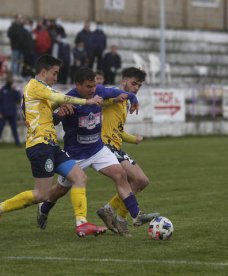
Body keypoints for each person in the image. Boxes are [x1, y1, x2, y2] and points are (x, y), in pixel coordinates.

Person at [0, 55, 105, 237]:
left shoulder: (41, 92)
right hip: (39, 146)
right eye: (54, 73)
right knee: (41, 195)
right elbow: (56, 96)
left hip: (51, 145)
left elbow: (49, 116)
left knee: (79, 177)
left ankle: (81, 223)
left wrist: (61, 112)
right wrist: (85, 101)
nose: (56, 78)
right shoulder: (34, 86)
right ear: (43, 71)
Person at [35, 67, 159, 236]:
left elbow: (110, 93)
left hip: (98, 148)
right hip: (76, 153)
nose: (93, 90)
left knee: (120, 174)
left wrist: (132, 96)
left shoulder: (100, 91)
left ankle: (135, 215)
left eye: (95, 86)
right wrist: (60, 110)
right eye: (89, 86)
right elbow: (50, 115)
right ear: (78, 85)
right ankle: (45, 206)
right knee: (61, 189)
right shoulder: (69, 98)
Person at [97, 67, 150, 237]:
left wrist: (135, 139)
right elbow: (102, 100)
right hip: (104, 145)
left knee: (142, 181)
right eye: (134, 83)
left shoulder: (125, 102)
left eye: (139, 86)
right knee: (136, 179)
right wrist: (115, 98)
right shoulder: (114, 93)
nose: (135, 88)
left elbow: (118, 130)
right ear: (124, 80)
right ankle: (120, 218)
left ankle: (110, 210)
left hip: (116, 146)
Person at [0, 75, 21, 147]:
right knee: (0, 129)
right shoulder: (2, 90)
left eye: (11, 79)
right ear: (6, 80)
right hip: (3, 113)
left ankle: (17, 143)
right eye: (8, 79)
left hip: (12, 113)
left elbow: (18, 99)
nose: (10, 80)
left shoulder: (14, 90)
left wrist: (15, 90)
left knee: (14, 130)